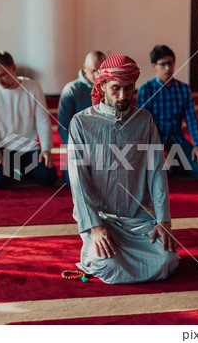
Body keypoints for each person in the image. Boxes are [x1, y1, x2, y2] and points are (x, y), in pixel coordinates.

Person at [68, 54, 180, 284]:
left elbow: (156, 172)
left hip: (139, 219)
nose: (123, 96)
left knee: (168, 259)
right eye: (116, 88)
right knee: (109, 266)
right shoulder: (81, 123)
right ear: (102, 86)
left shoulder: (144, 120)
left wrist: (163, 221)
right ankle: (93, 248)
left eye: (129, 89)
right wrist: (95, 227)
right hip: (101, 220)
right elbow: (78, 181)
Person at [0, 50, 58, 189]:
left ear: (13, 68)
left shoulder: (33, 87)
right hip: (3, 150)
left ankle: (19, 171)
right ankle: (11, 170)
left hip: (29, 149)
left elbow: (43, 121)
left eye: (3, 75)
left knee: (49, 177)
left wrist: (46, 149)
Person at [137, 45, 198, 180]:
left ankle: (175, 163)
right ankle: (172, 165)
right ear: (154, 65)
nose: (168, 68)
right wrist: (156, 148)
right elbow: (144, 124)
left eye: (170, 63)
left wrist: (197, 144)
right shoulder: (146, 90)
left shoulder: (183, 89)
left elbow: (191, 118)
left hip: (177, 140)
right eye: (163, 64)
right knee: (163, 172)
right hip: (157, 141)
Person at [58, 51, 106, 184]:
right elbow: (63, 127)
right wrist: (75, 152)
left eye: (101, 71)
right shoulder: (71, 90)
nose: (97, 75)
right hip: (77, 147)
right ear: (85, 68)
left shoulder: (109, 89)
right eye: (93, 71)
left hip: (102, 146)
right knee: (75, 179)